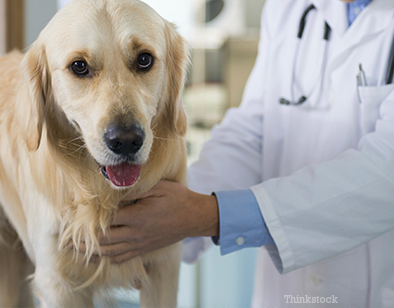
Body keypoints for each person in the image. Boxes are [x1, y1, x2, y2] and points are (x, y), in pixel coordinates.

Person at [87, 0, 394, 306]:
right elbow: (253, 132)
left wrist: (207, 215)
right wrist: (161, 219)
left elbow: (386, 174)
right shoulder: (290, 8)